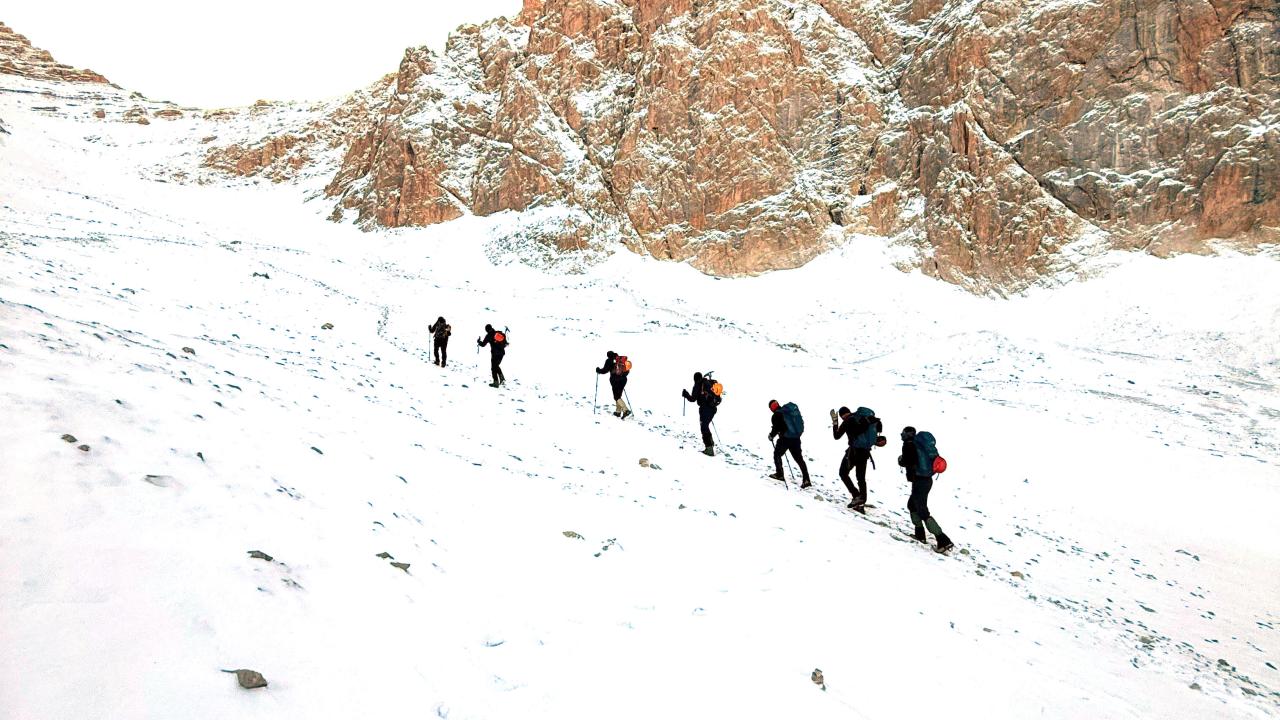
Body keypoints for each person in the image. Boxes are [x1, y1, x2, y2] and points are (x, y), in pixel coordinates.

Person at [898, 426, 954, 553]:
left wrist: (901, 461)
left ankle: (943, 540)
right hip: (927, 479)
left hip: (920, 480)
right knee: (912, 505)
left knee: (922, 510)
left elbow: (909, 461)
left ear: (907, 434)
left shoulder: (909, 445)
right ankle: (920, 535)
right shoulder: (921, 444)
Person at [832, 406, 881, 512]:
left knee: (843, 473)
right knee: (861, 477)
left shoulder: (847, 421)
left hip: (854, 452)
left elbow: (836, 436)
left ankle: (856, 495)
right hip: (865, 451)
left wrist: (835, 423)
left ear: (842, 415)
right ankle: (861, 499)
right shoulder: (860, 418)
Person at [767, 400, 811, 488]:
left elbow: (776, 428)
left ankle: (780, 474)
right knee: (799, 459)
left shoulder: (776, 415)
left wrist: (771, 435)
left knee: (777, 454)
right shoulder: (787, 412)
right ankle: (806, 480)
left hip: (785, 439)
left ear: (772, 408)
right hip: (796, 438)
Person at [681, 372, 720, 456]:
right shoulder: (707, 383)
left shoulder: (698, 384)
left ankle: (709, 449)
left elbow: (692, 399)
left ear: (695, 378)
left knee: (704, 427)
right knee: (705, 425)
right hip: (713, 408)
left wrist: (685, 394)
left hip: (705, 408)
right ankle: (711, 443)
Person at [596, 351, 631, 419]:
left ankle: (625, 410)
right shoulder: (619, 360)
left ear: (609, 356)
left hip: (615, 380)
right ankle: (618, 412)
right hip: (623, 380)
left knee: (616, 397)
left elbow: (604, 370)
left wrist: (598, 370)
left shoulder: (609, 361)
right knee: (618, 395)